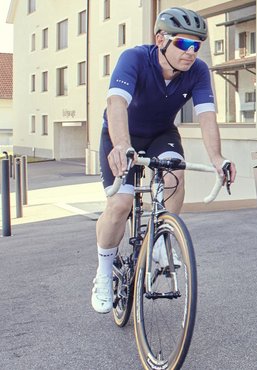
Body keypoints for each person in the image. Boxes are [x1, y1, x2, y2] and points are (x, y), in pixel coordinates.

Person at [91, 7, 237, 313]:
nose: (191, 53)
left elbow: (207, 116)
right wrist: (121, 146)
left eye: (197, 46)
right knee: (120, 204)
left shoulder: (197, 71)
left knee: (175, 176)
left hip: (160, 134)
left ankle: (160, 241)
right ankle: (103, 273)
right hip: (122, 135)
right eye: (184, 44)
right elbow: (116, 103)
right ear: (161, 39)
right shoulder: (135, 59)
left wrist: (217, 158)